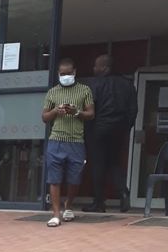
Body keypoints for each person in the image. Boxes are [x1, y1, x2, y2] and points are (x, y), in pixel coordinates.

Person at [41, 58, 95, 227]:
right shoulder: (52, 92)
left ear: (74, 72)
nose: (65, 76)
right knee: (54, 179)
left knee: (75, 178)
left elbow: (91, 114)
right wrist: (56, 111)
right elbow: (44, 117)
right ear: (58, 74)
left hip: (76, 141)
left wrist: (76, 112)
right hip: (56, 140)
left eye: (68, 73)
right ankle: (56, 214)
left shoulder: (84, 90)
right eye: (62, 74)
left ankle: (68, 205)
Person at [84, 54, 137, 213]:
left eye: (96, 66)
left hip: (98, 129)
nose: (94, 68)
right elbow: (133, 110)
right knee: (115, 163)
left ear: (105, 68)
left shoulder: (95, 84)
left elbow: (90, 108)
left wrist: (88, 129)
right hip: (119, 129)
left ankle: (99, 202)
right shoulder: (127, 84)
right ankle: (123, 193)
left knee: (98, 164)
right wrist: (126, 127)